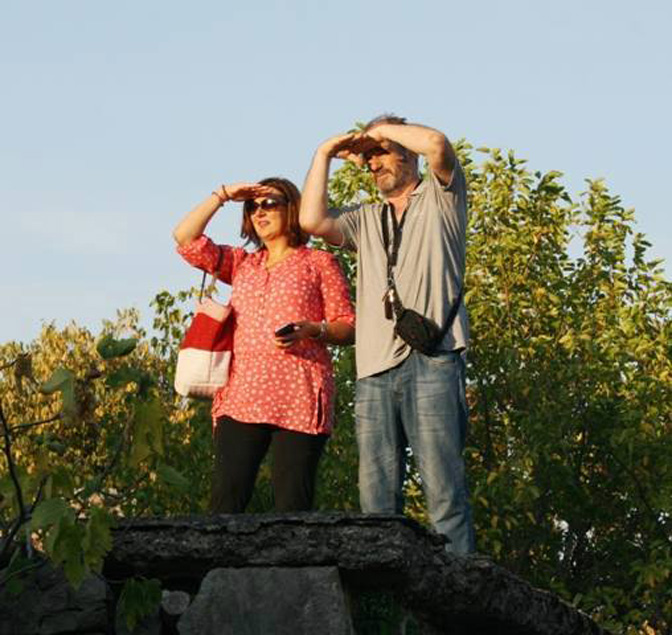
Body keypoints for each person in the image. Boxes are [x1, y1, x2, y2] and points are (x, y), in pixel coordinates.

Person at [299, 115, 475, 554]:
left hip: (434, 359)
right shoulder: (365, 218)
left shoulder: (442, 197)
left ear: (407, 153)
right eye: (369, 157)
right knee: (376, 499)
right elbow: (311, 219)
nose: (373, 163)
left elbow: (438, 144)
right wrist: (325, 153)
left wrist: (379, 132)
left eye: (382, 154)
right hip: (374, 368)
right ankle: (385, 589)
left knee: (444, 493)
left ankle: (459, 587)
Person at [173, 177, 355, 513]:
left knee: (292, 505)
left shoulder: (319, 263)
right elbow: (185, 238)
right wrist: (224, 195)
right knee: (226, 501)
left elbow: (347, 326)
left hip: (300, 396)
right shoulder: (242, 263)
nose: (259, 212)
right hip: (241, 396)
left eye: (270, 204)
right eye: (252, 207)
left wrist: (312, 329)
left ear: (292, 210)